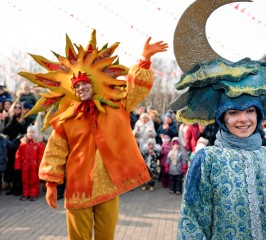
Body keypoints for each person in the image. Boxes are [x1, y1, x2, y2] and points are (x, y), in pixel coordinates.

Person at [18, 29, 168, 239]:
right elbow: (55, 151)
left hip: (109, 184)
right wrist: (51, 184)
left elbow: (136, 90)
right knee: (79, 237)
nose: (80, 88)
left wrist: (144, 59)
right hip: (78, 186)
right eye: (76, 86)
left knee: (106, 235)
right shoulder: (66, 119)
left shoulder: (117, 106)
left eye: (83, 84)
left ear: (93, 84)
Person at [170, 1, 266, 237]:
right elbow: (192, 223)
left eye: (250, 111)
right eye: (233, 112)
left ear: (259, 115)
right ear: (221, 117)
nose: (243, 119)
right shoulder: (207, 160)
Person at [2, 101, 28, 196]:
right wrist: (10, 119)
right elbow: (4, 131)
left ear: (21, 109)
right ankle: (13, 187)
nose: (17, 109)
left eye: (19, 107)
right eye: (15, 107)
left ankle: (19, 188)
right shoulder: (9, 118)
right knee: (11, 167)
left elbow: (25, 132)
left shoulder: (24, 119)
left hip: (19, 146)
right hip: (9, 146)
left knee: (19, 168)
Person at [14, 125, 45, 201]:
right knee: (25, 180)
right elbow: (18, 155)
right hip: (25, 165)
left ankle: (33, 194)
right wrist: (17, 166)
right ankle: (25, 193)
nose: (31, 134)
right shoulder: (23, 144)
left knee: (34, 180)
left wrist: (40, 167)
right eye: (29, 132)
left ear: (36, 133)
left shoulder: (39, 144)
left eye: (33, 132)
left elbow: (41, 157)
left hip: (34, 166)